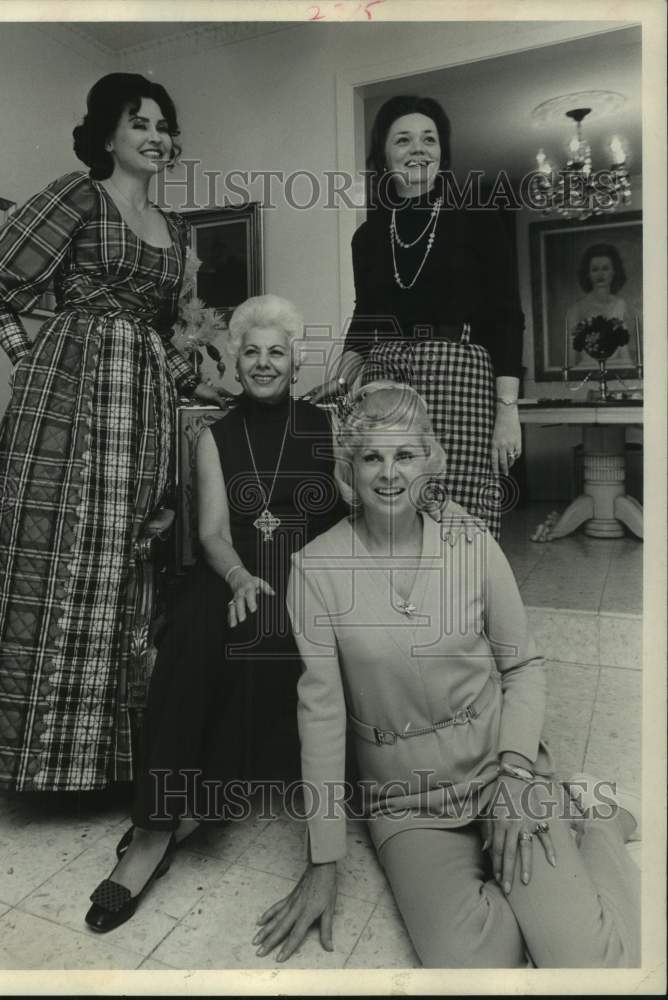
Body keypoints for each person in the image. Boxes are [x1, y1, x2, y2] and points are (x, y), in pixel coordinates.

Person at [254, 382, 641, 968]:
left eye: (405, 455)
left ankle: (600, 825)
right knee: (475, 968)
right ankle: (539, 871)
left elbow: (523, 665)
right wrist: (323, 859)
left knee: (589, 962)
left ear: (429, 461)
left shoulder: (472, 541)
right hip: (406, 803)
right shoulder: (314, 571)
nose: (390, 474)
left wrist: (516, 776)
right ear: (350, 468)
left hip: (499, 770)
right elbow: (323, 719)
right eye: (372, 456)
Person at [0, 73, 230, 793]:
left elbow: (165, 333)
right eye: (140, 123)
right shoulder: (78, 195)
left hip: (141, 413)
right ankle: (29, 758)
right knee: (48, 558)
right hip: (66, 402)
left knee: (121, 565)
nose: (156, 137)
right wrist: (28, 356)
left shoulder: (178, 232)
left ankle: (100, 765)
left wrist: (194, 380)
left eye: (164, 126)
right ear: (107, 133)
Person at [84, 294, 346, 933]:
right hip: (233, 567)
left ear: (296, 361)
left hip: (308, 573)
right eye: (251, 352)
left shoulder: (328, 427)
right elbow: (211, 533)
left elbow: (352, 512)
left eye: (277, 352)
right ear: (235, 360)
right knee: (198, 631)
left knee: (265, 630)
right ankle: (153, 832)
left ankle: (198, 808)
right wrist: (238, 576)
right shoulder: (214, 436)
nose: (263, 363)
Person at [308, 96, 525, 540]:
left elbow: (506, 314)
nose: (418, 149)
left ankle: (467, 586)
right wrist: (343, 376)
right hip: (385, 377)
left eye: (429, 139)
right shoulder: (368, 236)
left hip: (459, 375)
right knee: (391, 506)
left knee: (460, 512)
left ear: (442, 150)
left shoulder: (478, 217)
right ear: (384, 154)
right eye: (403, 140)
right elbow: (367, 316)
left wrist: (507, 410)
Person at [566, 243, 637, 368]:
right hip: (585, 370)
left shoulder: (621, 305)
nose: (600, 275)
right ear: (588, 274)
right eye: (595, 269)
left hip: (618, 369)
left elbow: (625, 354)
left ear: (614, 271)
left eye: (605, 268)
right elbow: (570, 361)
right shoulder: (576, 309)